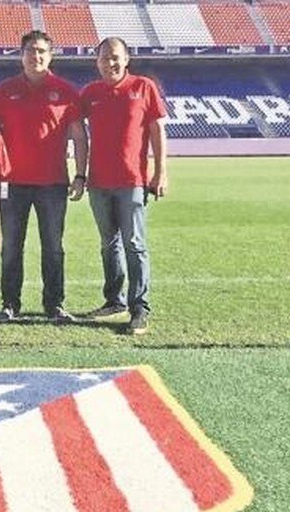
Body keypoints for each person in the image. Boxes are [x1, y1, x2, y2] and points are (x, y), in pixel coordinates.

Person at [0, 30, 88, 324]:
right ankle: (9, 304)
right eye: (30, 50)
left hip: (53, 183)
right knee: (11, 247)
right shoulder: (5, 91)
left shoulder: (66, 91)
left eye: (42, 50)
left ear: (50, 55)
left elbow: (80, 136)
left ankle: (54, 304)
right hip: (11, 183)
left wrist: (80, 175)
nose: (36, 56)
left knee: (53, 247)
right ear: (21, 55)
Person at [80, 37, 168, 335]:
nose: (110, 63)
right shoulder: (90, 93)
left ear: (126, 58)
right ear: (97, 62)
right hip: (98, 183)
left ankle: (139, 308)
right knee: (109, 244)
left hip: (132, 181)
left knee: (134, 244)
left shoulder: (143, 87)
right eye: (104, 58)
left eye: (115, 57)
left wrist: (161, 172)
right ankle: (113, 301)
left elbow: (157, 130)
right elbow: (71, 126)